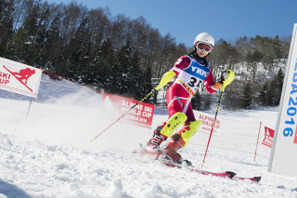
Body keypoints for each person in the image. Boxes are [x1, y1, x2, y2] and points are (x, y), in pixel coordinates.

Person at [145, 32, 232, 164]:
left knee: (193, 125)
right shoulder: (187, 59)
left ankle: (171, 149)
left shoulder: (208, 69)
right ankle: (152, 144)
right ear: (196, 45)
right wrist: (168, 76)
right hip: (176, 91)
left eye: (207, 48)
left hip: (187, 99)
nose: (203, 50)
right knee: (178, 117)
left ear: (211, 50)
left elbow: (210, 88)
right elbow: (175, 70)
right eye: (201, 46)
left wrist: (222, 82)